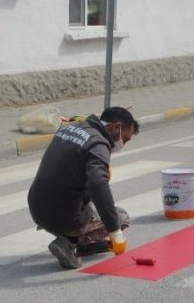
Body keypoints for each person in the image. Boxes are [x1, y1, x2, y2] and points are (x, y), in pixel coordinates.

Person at [27, 106, 138, 269]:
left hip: (37, 207)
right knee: (121, 217)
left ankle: (81, 242)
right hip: (62, 216)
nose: (123, 143)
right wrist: (115, 231)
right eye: (125, 139)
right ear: (115, 127)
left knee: (89, 200)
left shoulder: (70, 128)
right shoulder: (99, 143)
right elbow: (97, 184)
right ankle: (69, 243)